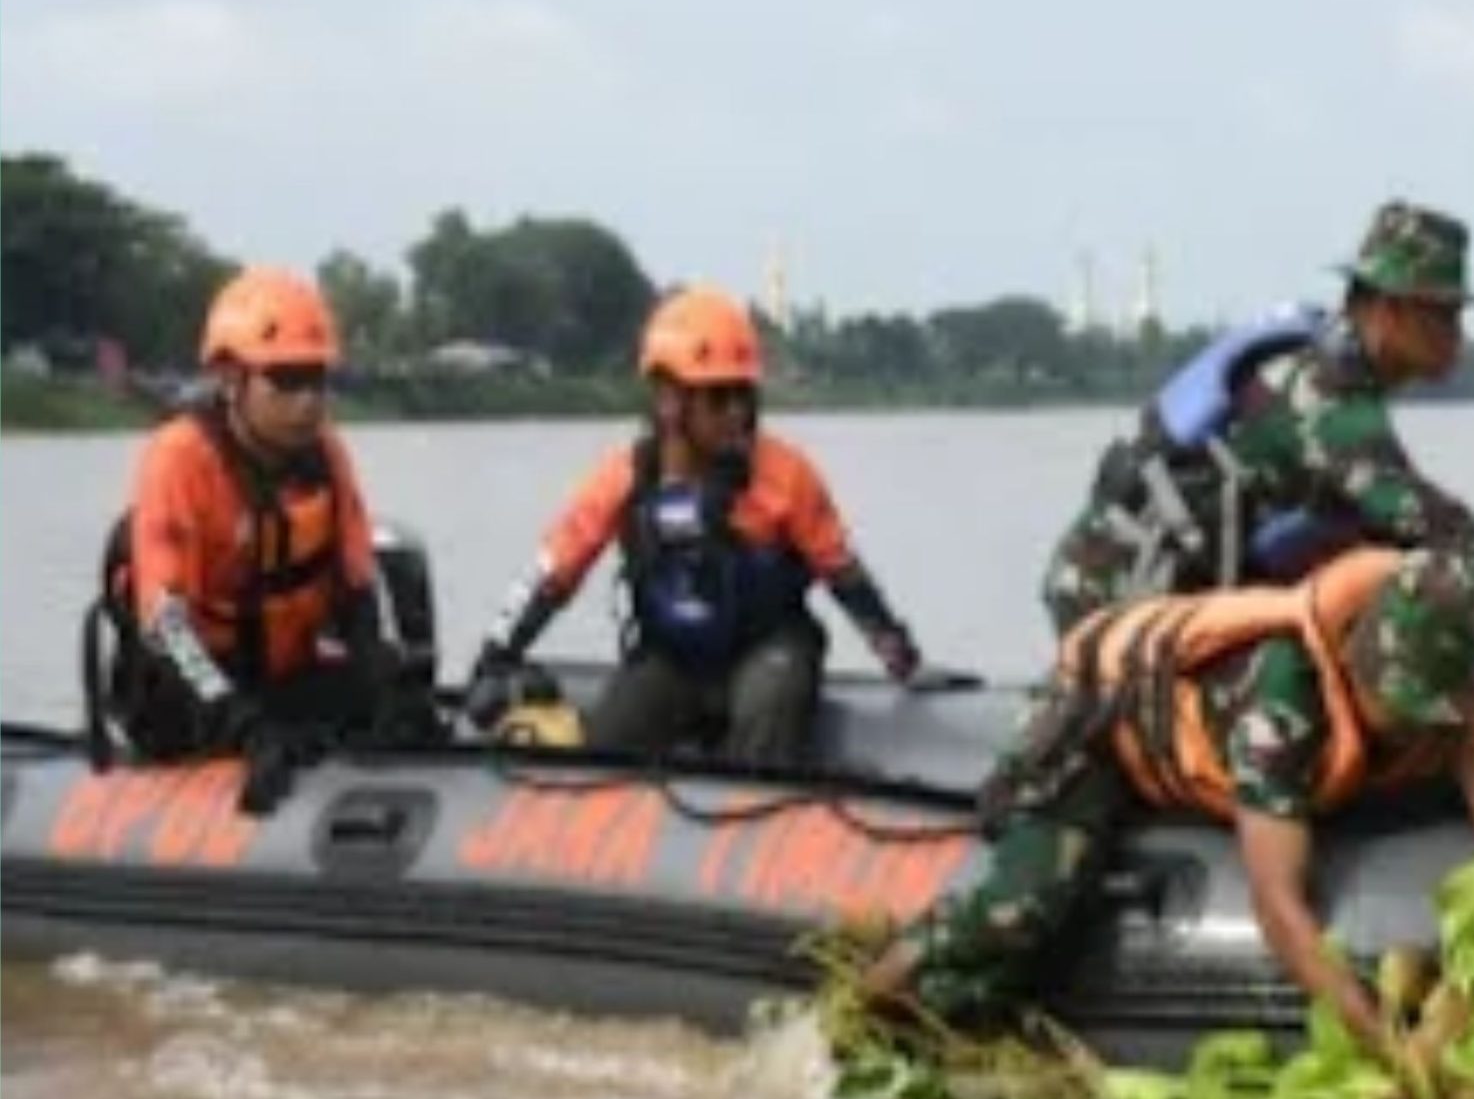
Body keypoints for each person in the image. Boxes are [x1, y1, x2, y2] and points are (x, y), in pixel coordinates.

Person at [861, 548, 1474, 1054]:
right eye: (1405, 712)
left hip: (1218, 717)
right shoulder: (1285, 698)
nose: (1428, 733)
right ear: (1354, 662)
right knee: (1025, 903)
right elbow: (1280, 908)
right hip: (1104, 719)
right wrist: (1387, 1047)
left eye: (1438, 715)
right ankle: (871, 997)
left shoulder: (1446, 652)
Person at [1039, 197, 1474, 668]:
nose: (1457, 335)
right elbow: (1423, 518)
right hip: (1116, 596)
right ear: (1389, 310)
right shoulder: (1322, 391)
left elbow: (1393, 531)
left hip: (1177, 590)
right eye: (1442, 313)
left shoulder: (1341, 384)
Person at [459, 286, 931, 766]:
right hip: (672, 660)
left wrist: (903, 659)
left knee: (766, 712)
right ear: (669, 401)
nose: (737, 414)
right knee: (605, 749)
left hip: (768, 648)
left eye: (745, 395)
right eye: (720, 397)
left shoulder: (787, 476)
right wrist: (493, 660)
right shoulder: (622, 481)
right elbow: (550, 574)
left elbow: (843, 575)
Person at [94, 267, 421, 814]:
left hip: (279, 680)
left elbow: (357, 589)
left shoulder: (326, 457)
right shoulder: (179, 460)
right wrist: (243, 727)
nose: (308, 402)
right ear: (231, 378)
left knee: (393, 700)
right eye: (286, 381)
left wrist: (384, 688)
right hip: (187, 693)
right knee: (241, 720)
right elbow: (166, 628)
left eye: (318, 380)